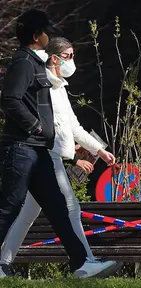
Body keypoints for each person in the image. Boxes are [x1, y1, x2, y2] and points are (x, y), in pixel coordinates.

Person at [0, 9, 118, 278]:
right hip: (22, 147)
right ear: (35, 35)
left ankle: (81, 264)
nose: (48, 35)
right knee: (10, 206)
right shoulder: (24, 62)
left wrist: (94, 148)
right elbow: (10, 99)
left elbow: (69, 125)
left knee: (58, 207)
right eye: (45, 31)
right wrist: (37, 127)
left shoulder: (35, 65)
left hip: (37, 149)